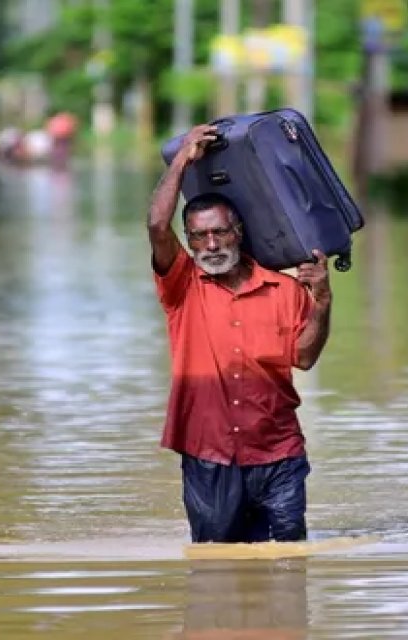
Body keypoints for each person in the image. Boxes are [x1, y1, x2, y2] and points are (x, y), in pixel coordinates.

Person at [147, 123, 333, 544]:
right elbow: (158, 226)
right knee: (216, 566)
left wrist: (322, 301)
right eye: (199, 236)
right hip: (209, 456)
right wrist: (182, 159)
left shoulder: (285, 289)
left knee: (289, 562)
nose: (211, 244)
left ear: (239, 232)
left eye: (220, 232)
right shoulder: (182, 286)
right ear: (190, 242)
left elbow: (304, 357)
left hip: (279, 454)